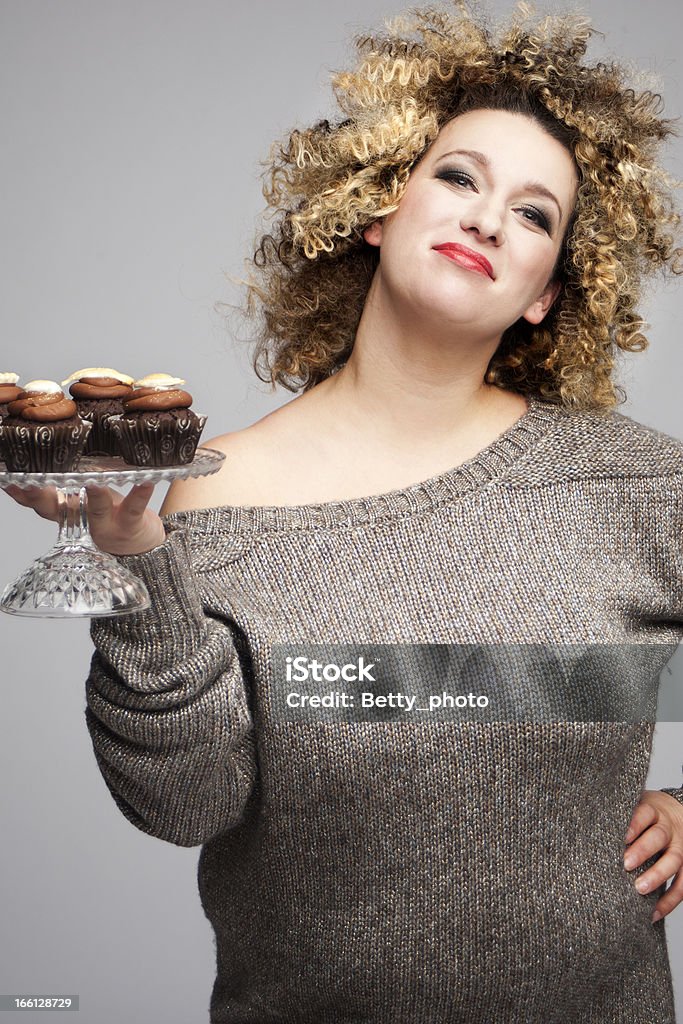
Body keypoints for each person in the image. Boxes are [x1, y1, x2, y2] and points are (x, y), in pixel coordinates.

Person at [4, 1, 683, 1020]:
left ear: (546, 290)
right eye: (456, 176)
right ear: (376, 206)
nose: (488, 217)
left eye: (534, 213)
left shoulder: (631, 485)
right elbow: (189, 803)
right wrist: (136, 559)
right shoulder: (213, 492)